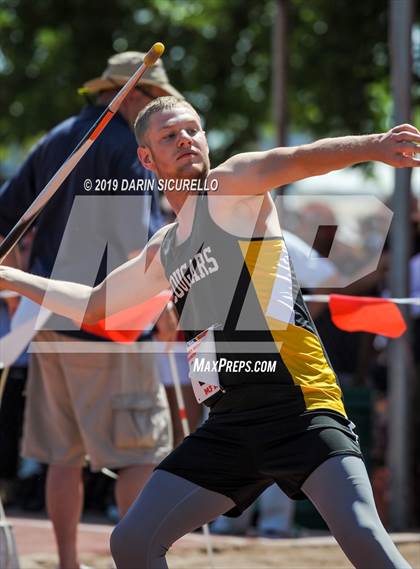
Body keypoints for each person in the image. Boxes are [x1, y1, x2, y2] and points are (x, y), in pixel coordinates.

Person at [1, 97, 418, 569]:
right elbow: (95, 304)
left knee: (366, 539)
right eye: (169, 136)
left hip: (297, 406)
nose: (185, 140)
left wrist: (374, 145)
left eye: (192, 131)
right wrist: (12, 278)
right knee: (132, 543)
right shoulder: (164, 246)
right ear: (146, 158)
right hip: (228, 426)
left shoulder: (229, 187)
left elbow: (299, 159)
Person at [0, 56, 182, 569]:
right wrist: (165, 309)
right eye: (154, 99)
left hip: (48, 320)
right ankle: (140, 561)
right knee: (139, 450)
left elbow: (5, 218)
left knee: (62, 455)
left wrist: (16, 289)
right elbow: (137, 245)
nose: (159, 110)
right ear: (133, 94)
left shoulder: (57, 137)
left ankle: (66, 564)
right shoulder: (129, 146)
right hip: (112, 324)